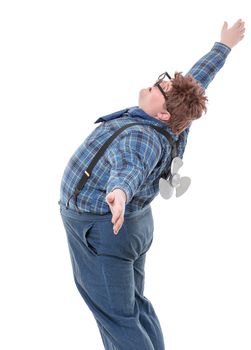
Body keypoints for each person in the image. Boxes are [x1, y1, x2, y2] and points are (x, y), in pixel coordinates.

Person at [58, 19, 245, 350]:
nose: (153, 87)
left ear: (163, 116)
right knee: (133, 307)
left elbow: (129, 166)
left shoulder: (140, 136)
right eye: (161, 84)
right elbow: (198, 78)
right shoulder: (178, 117)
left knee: (117, 318)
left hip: (104, 229)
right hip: (133, 225)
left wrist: (119, 193)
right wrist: (223, 46)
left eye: (160, 91)